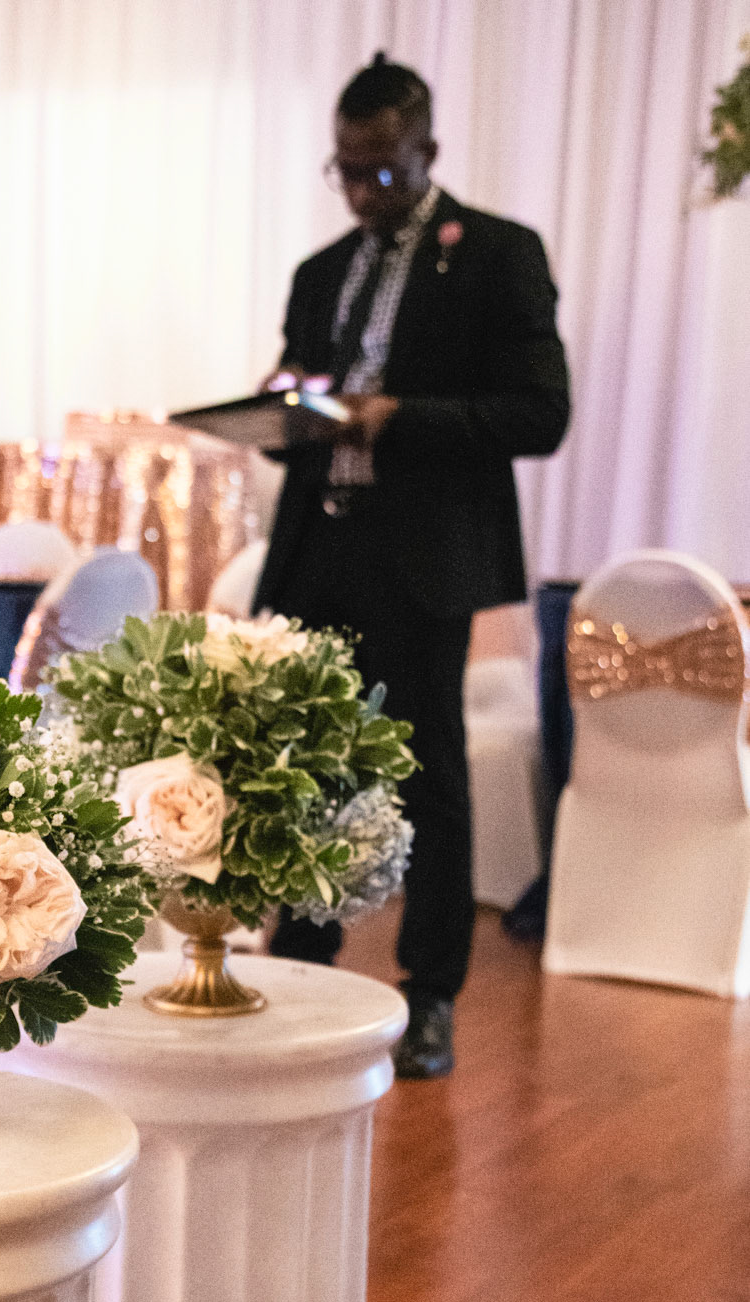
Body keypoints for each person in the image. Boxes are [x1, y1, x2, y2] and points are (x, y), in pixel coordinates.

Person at [254, 53, 570, 1078]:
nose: (360, 191)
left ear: (428, 150)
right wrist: (280, 406)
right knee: (298, 766)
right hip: (319, 545)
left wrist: (403, 417)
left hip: (420, 556)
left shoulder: (495, 255)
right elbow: (299, 396)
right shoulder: (320, 273)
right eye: (345, 170)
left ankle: (429, 992)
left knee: (425, 771)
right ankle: (299, 965)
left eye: (381, 170)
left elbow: (540, 413)